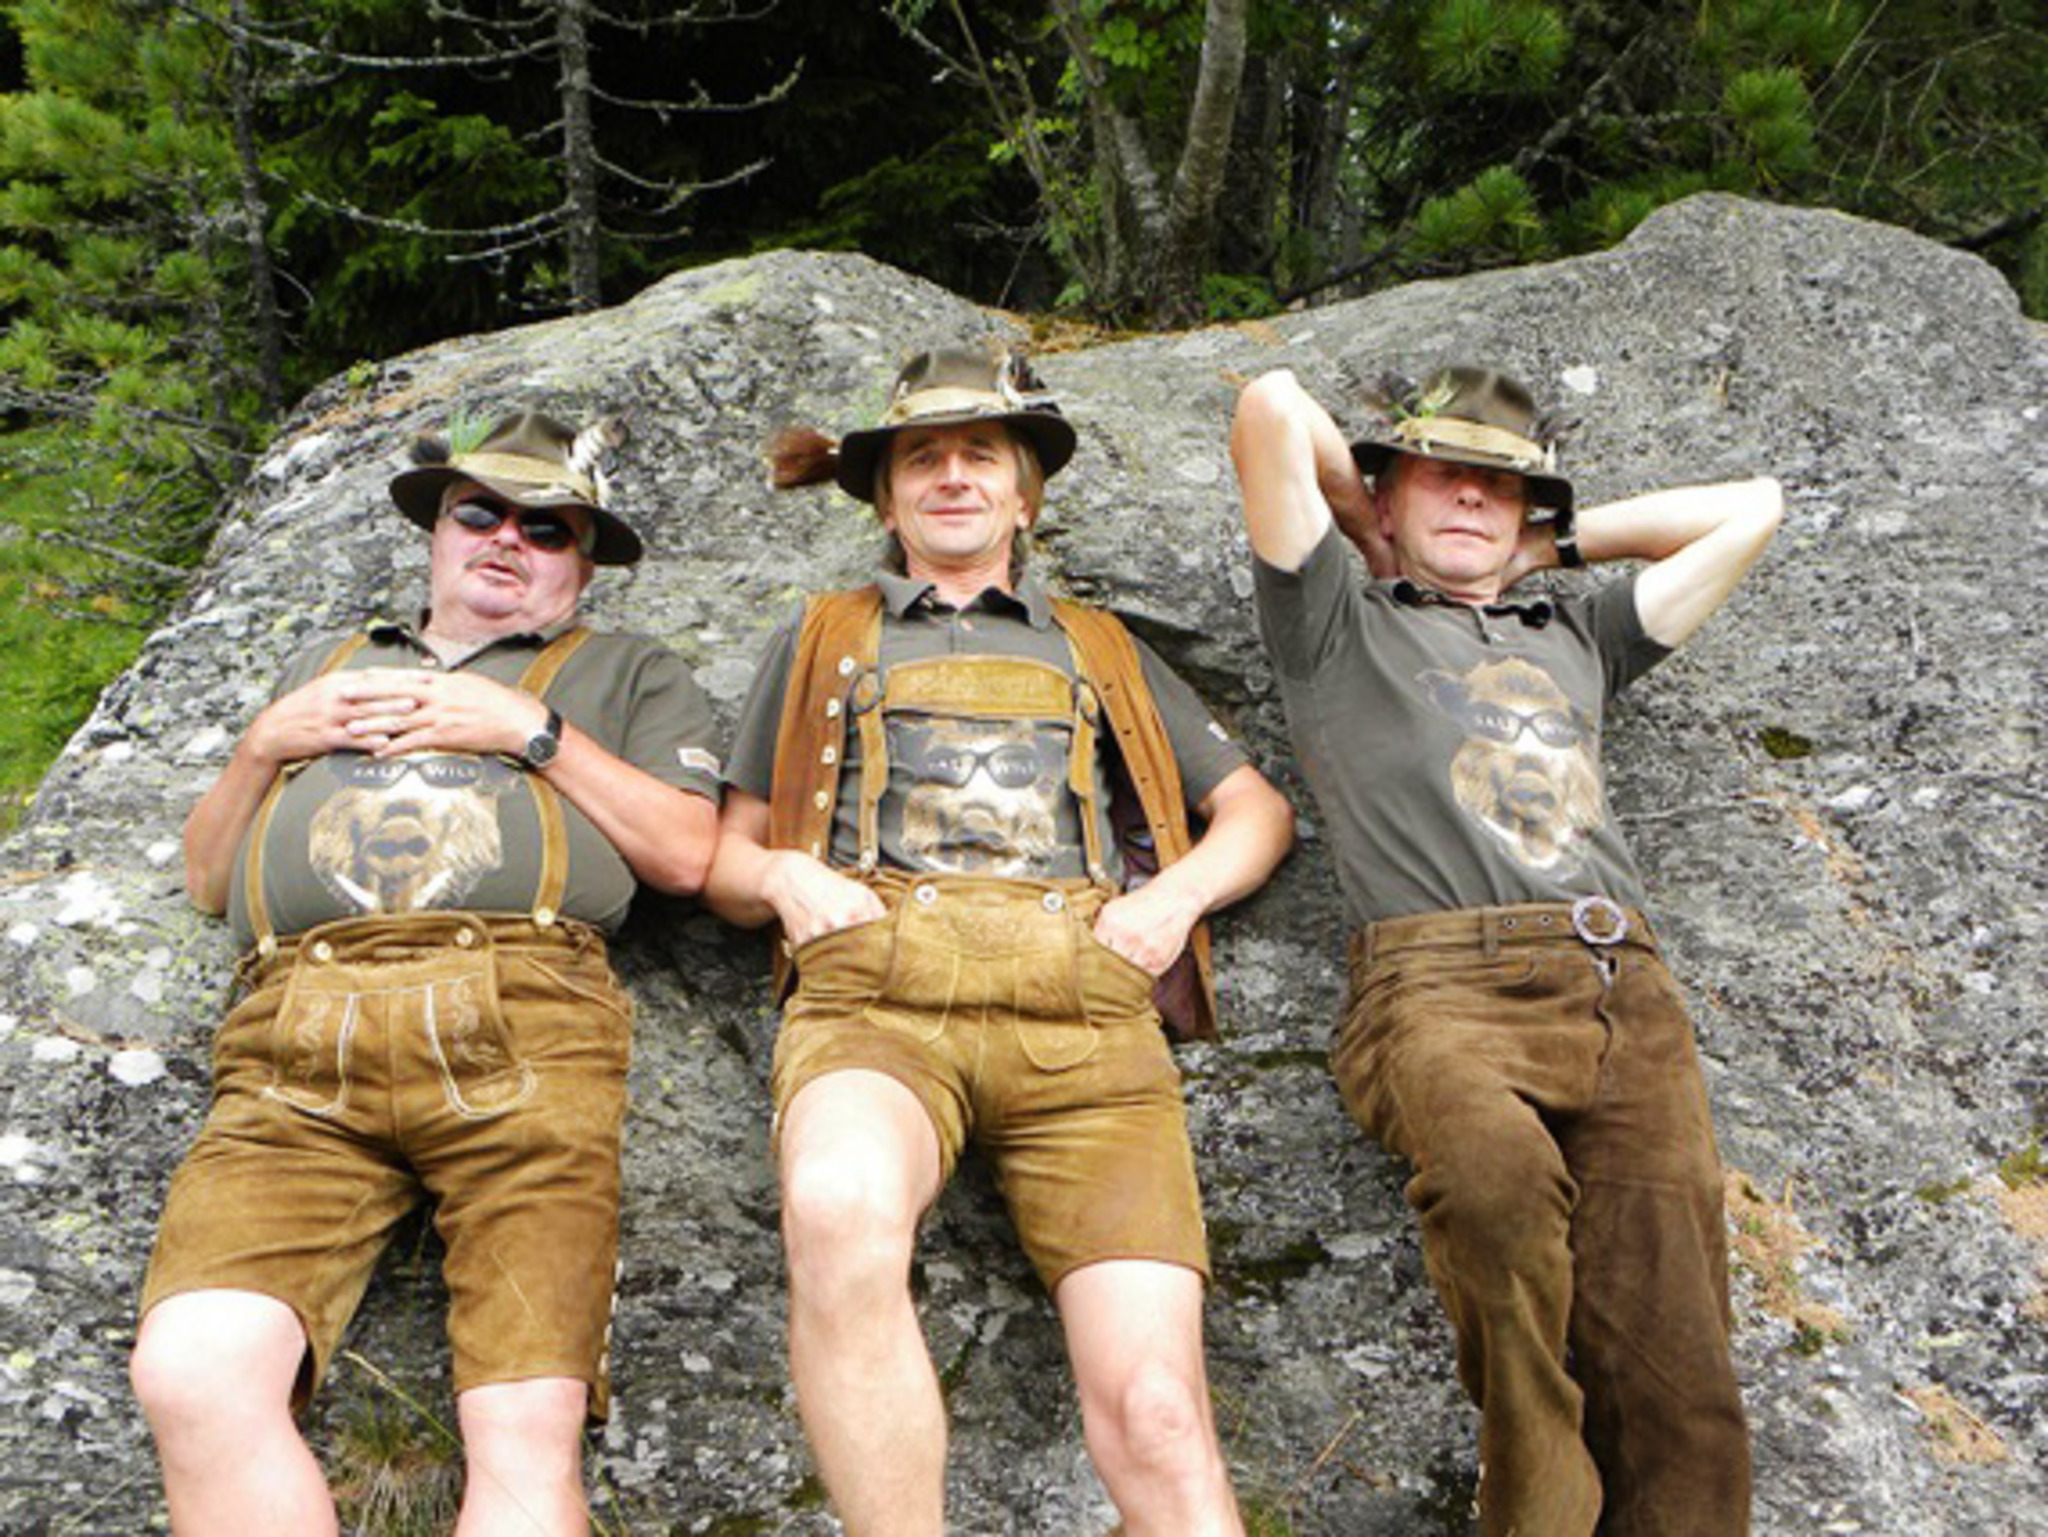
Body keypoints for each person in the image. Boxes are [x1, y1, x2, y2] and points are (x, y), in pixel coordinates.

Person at [705, 344, 1294, 1537]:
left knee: (1162, 1416)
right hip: (876, 1012)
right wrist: (778, 876)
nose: (953, 476)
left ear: (1025, 494)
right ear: (885, 497)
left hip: (1087, 1031)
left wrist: (1169, 901)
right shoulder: (822, 635)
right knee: (833, 1207)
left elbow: (1257, 811)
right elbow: (723, 857)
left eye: (983, 454)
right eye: (922, 457)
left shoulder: (1101, 647)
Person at [129, 410, 722, 1535]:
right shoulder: (331, 662)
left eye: (547, 528)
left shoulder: (626, 671)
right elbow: (211, 878)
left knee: (522, 1431)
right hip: (290, 1036)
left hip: (521, 1019)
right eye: (481, 511)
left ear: (582, 563)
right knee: (191, 1370)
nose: (508, 538)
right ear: (438, 530)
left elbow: (688, 855)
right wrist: (265, 741)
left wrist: (531, 729)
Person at [1230, 364, 1782, 1536]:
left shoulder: (1576, 626)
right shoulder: (1335, 618)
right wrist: (1363, 524)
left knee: (1675, 1323)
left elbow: (1753, 509)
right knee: (1489, 1185)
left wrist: (1555, 547)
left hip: (1621, 983)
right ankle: (1536, 1504)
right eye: (1443, 476)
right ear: (1388, 493)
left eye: (1499, 486)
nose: (1472, 501)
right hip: (1435, 982)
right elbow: (1272, 405)